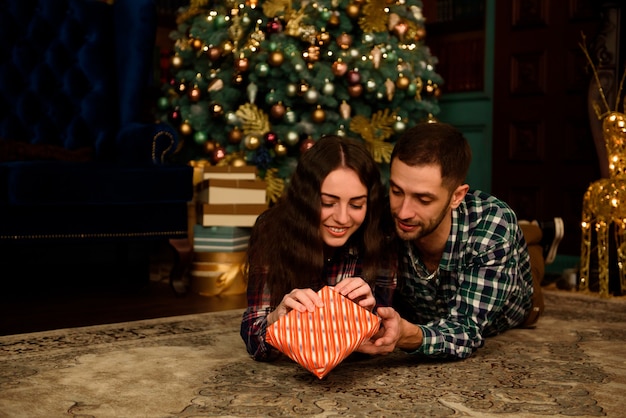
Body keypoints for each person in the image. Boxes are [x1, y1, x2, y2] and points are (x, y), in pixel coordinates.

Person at [359, 121, 543, 359]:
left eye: (423, 200)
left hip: (517, 302)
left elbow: (465, 330)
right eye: (396, 191)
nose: (403, 212)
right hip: (465, 258)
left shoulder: (492, 227)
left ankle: (536, 233)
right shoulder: (385, 216)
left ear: (457, 196)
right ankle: (533, 230)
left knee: (531, 255)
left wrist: (409, 335)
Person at [241, 134, 395, 361]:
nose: (342, 218)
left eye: (356, 204)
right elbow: (253, 332)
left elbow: (385, 332)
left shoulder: (379, 233)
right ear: (306, 198)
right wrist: (276, 318)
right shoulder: (271, 229)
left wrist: (372, 318)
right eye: (327, 203)